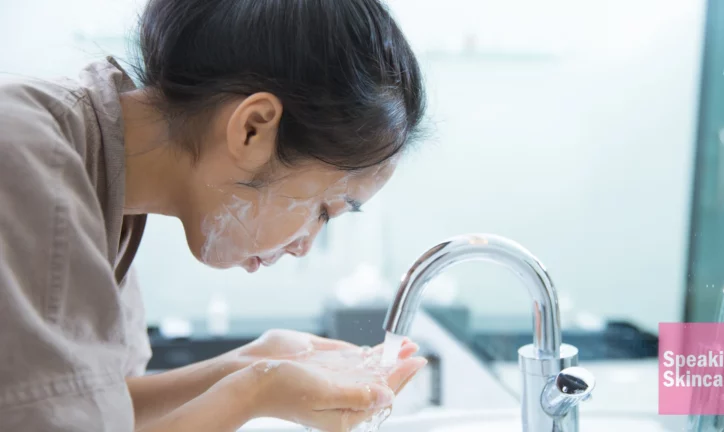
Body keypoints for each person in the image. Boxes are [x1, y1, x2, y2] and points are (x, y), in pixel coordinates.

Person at [0, 0, 429, 430]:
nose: (304, 246)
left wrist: (252, 362)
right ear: (252, 129)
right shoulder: (26, 161)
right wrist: (253, 392)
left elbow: (92, 410)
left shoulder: (101, 185)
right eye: (323, 211)